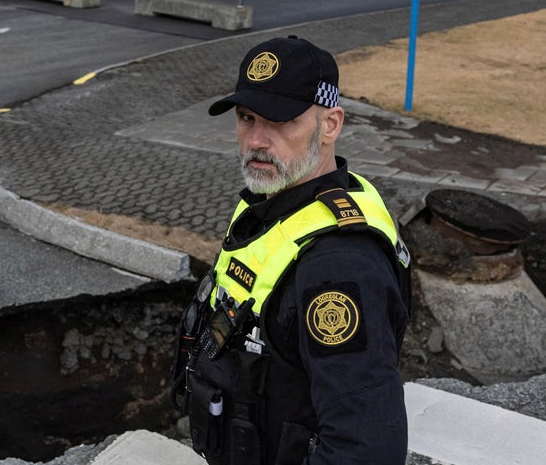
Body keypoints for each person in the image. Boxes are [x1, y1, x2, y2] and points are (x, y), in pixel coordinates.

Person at [171, 35, 412, 465]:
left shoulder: (338, 266)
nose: (257, 140)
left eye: (281, 122)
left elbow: (366, 449)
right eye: (247, 118)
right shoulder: (274, 205)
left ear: (331, 124)